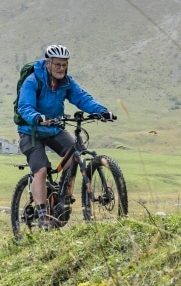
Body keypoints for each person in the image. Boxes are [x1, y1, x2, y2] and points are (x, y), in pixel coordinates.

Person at [16, 44, 115, 228]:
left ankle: (62, 196)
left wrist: (101, 111)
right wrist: (37, 117)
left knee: (76, 152)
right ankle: (43, 213)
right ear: (48, 63)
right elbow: (24, 107)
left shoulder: (66, 82)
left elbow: (82, 98)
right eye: (57, 65)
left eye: (64, 65)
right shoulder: (32, 81)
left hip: (54, 129)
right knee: (41, 170)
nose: (61, 68)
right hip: (31, 132)